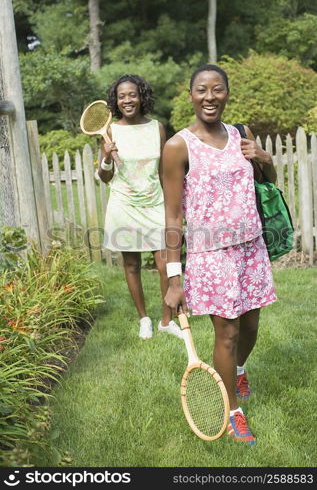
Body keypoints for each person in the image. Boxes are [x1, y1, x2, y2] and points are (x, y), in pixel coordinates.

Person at [163, 64, 277, 445]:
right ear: (190, 95)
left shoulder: (242, 134)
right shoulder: (179, 146)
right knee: (225, 334)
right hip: (211, 256)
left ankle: (239, 369)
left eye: (217, 90)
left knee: (250, 328)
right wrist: (174, 279)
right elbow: (173, 215)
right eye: (201, 90)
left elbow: (268, 182)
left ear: (227, 93)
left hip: (251, 249)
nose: (209, 97)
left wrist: (262, 156)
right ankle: (233, 413)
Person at [98, 74, 182, 340]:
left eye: (132, 94)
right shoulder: (111, 130)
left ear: (141, 96)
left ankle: (166, 321)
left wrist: (172, 203)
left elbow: (162, 170)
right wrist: (107, 157)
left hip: (154, 201)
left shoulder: (157, 128)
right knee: (131, 263)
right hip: (124, 202)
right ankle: (144, 318)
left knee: (164, 262)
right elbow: (104, 176)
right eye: (121, 96)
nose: (127, 100)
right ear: (116, 101)